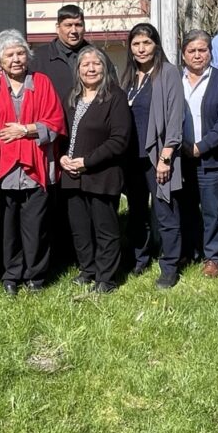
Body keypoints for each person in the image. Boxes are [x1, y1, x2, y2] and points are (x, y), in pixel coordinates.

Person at [0, 30, 67, 294]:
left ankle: (36, 277)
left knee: (36, 228)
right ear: (0, 59)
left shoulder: (41, 82)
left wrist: (25, 129)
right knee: (7, 228)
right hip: (4, 167)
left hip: (36, 168)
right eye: (9, 55)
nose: (16, 59)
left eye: (20, 53)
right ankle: (11, 276)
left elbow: (56, 122)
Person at [31, 4, 110, 270]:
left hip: (89, 141)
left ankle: (92, 257)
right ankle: (60, 255)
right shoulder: (40, 58)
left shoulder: (96, 56)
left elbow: (111, 93)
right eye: (68, 25)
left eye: (78, 25)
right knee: (56, 201)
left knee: (88, 202)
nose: (74, 30)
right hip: (52, 140)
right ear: (58, 28)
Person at [59, 47, 131, 293]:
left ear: (105, 67)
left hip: (101, 175)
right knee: (80, 229)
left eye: (96, 64)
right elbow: (62, 134)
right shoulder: (72, 97)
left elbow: (119, 139)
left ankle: (106, 278)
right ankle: (87, 270)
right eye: (85, 65)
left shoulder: (115, 97)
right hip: (72, 177)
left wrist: (86, 161)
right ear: (77, 71)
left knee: (105, 229)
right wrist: (62, 158)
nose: (90, 69)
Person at [121, 23, 186, 289]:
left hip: (157, 156)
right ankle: (140, 258)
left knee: (164, 211)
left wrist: (167, 156)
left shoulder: (168, 73)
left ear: (156, 45)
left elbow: (175, 116)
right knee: (136, 212)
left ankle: (170, 265)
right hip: (131, 157)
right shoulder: (127, 76)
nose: (141, 49)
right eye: (136, 44)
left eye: (146, 43)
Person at [177, 29, 218, 278]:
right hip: (180, 159)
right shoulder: (174, 80)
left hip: (211, 159)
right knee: (185, 208)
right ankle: (189, 250)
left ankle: (213, 256)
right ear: (183, 55)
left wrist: (201, 146)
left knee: (212, 210)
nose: (197, 55)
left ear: (210, 53)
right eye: (192, 50)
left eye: (203, 50)